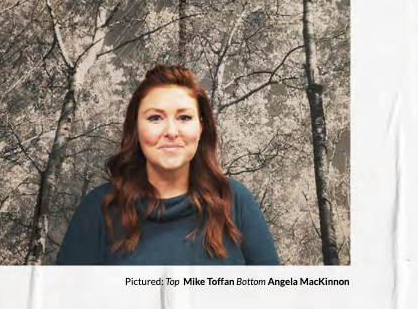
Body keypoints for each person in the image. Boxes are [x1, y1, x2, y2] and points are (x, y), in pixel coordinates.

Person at [56, 65, 279, 265]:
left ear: (201, 128)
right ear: (136, 129)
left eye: (184, 118)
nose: (171, 132)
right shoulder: (99, 208)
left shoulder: (235, 201)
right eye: (155, 118)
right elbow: (65, 305)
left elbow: (273, 301)